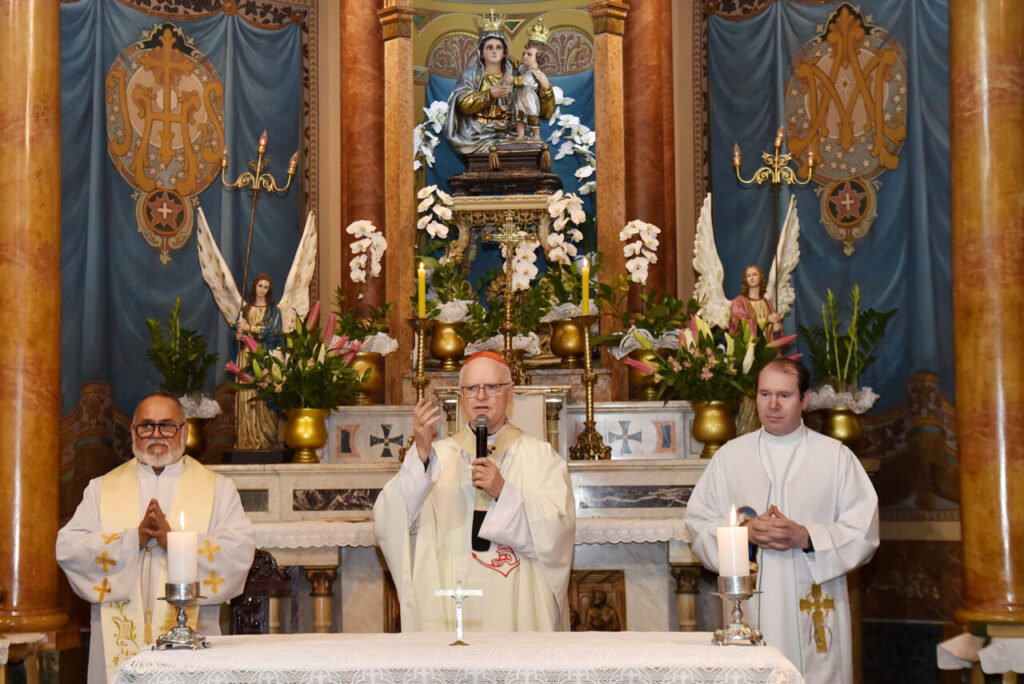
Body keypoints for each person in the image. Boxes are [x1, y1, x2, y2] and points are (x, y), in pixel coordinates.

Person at [684, 359, 878, 684]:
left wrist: (806, 537)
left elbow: (865, 531)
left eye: (784, 396)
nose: (772, 405)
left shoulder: (835, 458)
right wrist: (744, 533)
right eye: (764, 394)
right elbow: (698, 523)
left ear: (805, 400)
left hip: (815, 603)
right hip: (748, 609)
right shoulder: (730, 457)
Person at [57, 392, 256, 684]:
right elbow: (69, 548)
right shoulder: (100, 490)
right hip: (117, 640)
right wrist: (130, 541)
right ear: (133, 432)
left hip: (194, 638)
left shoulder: (218, 490)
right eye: (146, 426)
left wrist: (173, 542)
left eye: (167, 426)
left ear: (184, 431)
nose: (156, 435)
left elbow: (238, 552)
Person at [374, 351, 575, 632]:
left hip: (516, 605)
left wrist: (503, 491)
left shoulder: (540, 458)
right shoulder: (436, 457)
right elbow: (391, 518)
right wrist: (420, 458)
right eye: (472, 389)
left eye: (491, 387)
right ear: (461, 395)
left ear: (510, 393)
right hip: (451, 598)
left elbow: (557, 531)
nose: (481, 396)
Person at [446, 21, 554, 156]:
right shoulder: (471, 74)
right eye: (489, 47)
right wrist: (490, 94)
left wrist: (546, 89)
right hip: (477, 136)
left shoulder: (517, 74)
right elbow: (462, 103)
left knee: (527, 147)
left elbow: (543, 112)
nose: (494, 51)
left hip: (511, 133)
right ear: (481, 53)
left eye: (498, 47)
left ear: (504, 53)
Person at [234, 273, 282, 449]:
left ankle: (265, 439)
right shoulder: (245, 310)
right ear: (254, 287)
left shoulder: (273, 311)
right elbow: (238, 331)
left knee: (263, 397)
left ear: (269, 290)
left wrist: (251, 328)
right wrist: (239, 335)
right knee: (248, 395)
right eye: (259, 286)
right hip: (246, 356)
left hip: (264, 358)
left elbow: (275, 335)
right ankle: (247, 438)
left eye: (265, 287)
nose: (262, 290)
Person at [730, 264, 784, 340]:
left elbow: (775, 333)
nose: (751, 278)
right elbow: (739, 326)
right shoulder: (739, 302)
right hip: (749, 348)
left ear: (760, 277)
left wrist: (775, 328)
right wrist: (766, 320)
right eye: (748, 276)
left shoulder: (767, 302)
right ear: (745, 280)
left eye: (754, 274)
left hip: (766, 347)